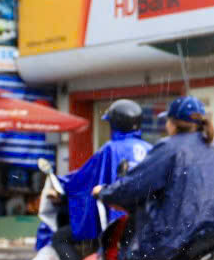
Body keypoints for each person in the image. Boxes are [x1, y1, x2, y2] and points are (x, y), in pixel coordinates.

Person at [94, 96, 214, 260]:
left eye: (167, 120)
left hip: (181, 231)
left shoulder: (169, 147)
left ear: (173, 123)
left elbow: (135, 184)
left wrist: (104, 192)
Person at [64, 99, 152, 246]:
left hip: (117, 220)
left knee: (61, 238)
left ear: (114, 124)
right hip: (146, 219)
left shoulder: (110, 148)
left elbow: (83, 177)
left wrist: (62, 183)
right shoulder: (151, 148)